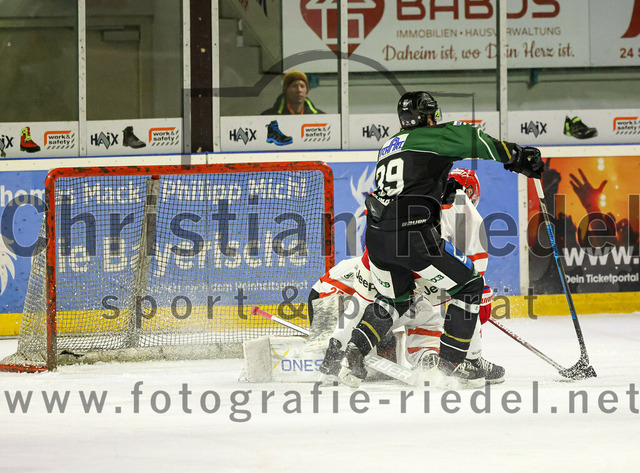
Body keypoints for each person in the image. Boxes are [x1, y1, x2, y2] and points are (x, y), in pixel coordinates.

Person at [337, 91, 543, 388]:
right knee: (470, 285)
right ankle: (452, 366)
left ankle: (354, 353)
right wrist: (518, 157)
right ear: (429, 116)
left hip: (378, 236)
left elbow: (408, 183)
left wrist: (442, 186)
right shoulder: (433, 136)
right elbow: (477, 140)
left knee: (394, 299)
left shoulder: (390, 145)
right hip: (412, 235)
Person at [310, 170, 504, 386]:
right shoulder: (456, 216)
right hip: (335, 300)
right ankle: (329, 348)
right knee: (451, 297)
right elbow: (330, 294)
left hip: (380, 290)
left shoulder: (395, 220)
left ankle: (425, 356)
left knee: (409, 311)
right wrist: (330, 342)